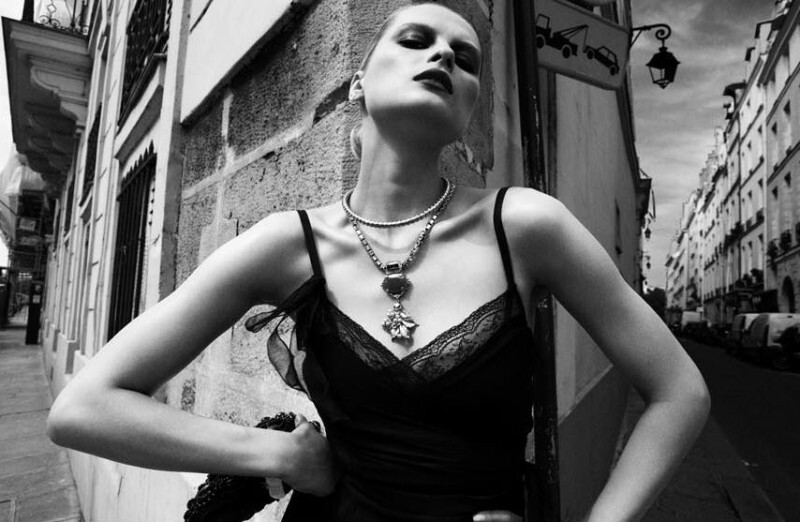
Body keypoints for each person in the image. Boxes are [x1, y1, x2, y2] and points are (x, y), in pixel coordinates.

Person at [46, 3, 710, 521]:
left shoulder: (526, 224)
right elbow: (84, 407)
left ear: (469, 107)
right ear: (360, 82)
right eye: (416, 40)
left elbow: (679, 392)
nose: (443, 55)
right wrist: (274, 452)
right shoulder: (286, 243)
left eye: (466, 58)